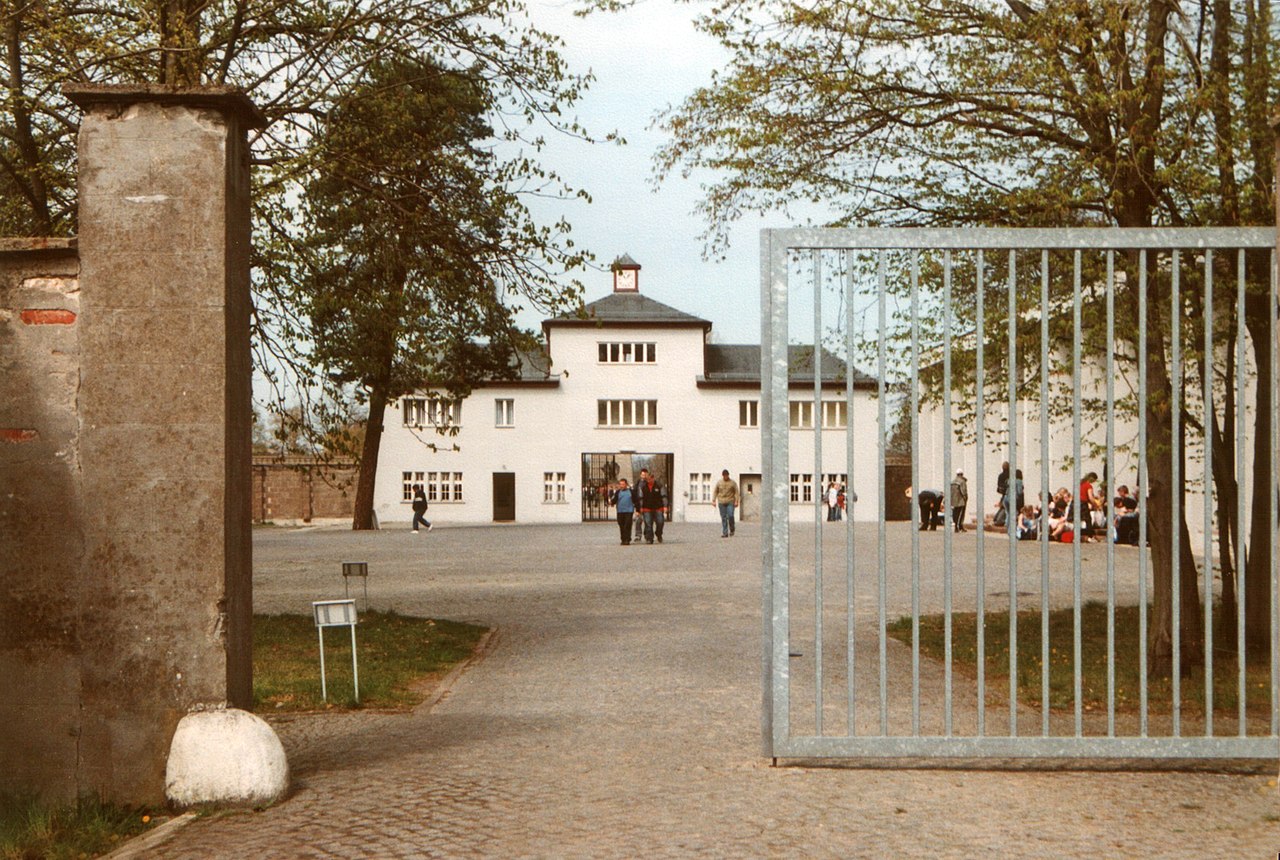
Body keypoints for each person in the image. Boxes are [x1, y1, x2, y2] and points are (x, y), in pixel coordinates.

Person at [636, 468, 668, 544]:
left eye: (650, 479)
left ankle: (658, 534)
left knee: (660, 522)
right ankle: (650, 538)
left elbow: (664, 496)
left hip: (658, 507)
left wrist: (665, 506)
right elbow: (640, 498)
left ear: (653, 478)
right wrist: (640, 508)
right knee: (648, 524)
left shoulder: (659, 485)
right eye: (647, 479)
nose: (648, 481)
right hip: (647, 508)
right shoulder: (643, 486)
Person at [609, 478, 637, 545]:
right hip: (620, 511)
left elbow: (636, 500)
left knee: (627, 525)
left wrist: (637, 510)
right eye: (620, 484)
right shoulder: (618, 492)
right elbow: (615, 499)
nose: (621, 486)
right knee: (621, 525)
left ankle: (627, 539)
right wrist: (612, 503)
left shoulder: (631, 492)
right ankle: (623, 539)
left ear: (626, 484)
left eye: (623, 484)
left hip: (629, 511)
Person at [713, 469, 740, 538]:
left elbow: (736, 492)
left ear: (728, 475)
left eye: (726, 475)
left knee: (730, 515)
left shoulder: (732, 483)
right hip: (721, 502)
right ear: (722, 476)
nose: (725, 477)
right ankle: (725, 533)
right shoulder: (719, 483)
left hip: (730, 501)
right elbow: (715, 491)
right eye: (724, 475)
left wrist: (736, 501)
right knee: (723, 517)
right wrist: (713, 500)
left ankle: (732, 529)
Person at [993, 461, 1010, 526]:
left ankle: (996, 519)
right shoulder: (1010, 475)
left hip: (1003, 493)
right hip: (1008, 493)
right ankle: (999, 520)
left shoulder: (1001, 475)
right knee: (1005, 507)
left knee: (1003, 506)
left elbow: (999, 485)